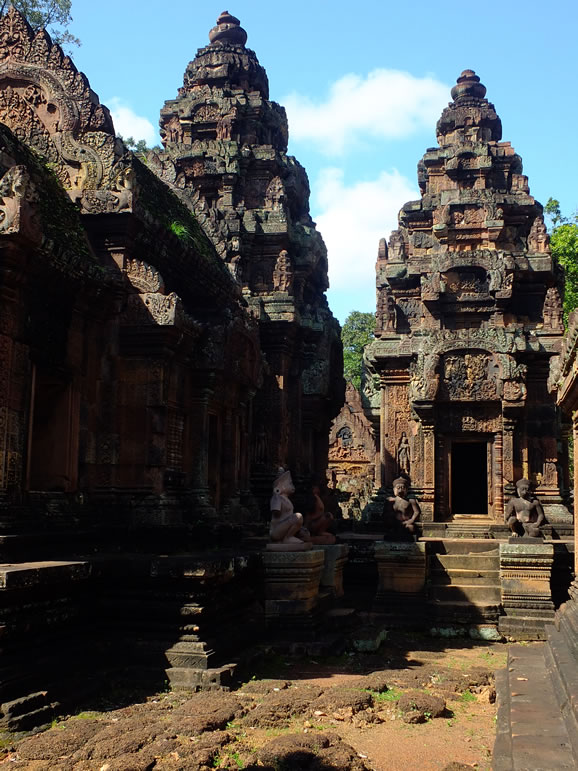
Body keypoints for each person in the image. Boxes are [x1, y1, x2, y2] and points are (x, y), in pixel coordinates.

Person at [269, 468, 311, 545]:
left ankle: (289, 537)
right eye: (290, 483)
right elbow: (275, 512)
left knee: (305, 534)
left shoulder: (286, 499)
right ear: (281, 486)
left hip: (284, 527)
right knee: (298, 517)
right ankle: (287, 538)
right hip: (277, 530)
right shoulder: (277, 497)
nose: (292, 486)